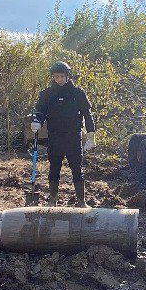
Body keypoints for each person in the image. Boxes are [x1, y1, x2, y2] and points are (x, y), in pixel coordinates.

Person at [32, 61, 96, 206]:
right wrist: (37, 121)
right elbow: (40, 112)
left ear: (67, 76)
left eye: (62, 76)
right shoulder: (47, 94)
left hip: (73, 137)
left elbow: (87, 114)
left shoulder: (77, 93)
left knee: (77, 170)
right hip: (55, 137)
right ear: (53, 77)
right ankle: (52, 200)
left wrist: (91, 135)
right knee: (54, 169)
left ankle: (81, 201)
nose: (59, 79)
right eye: (56, 76)